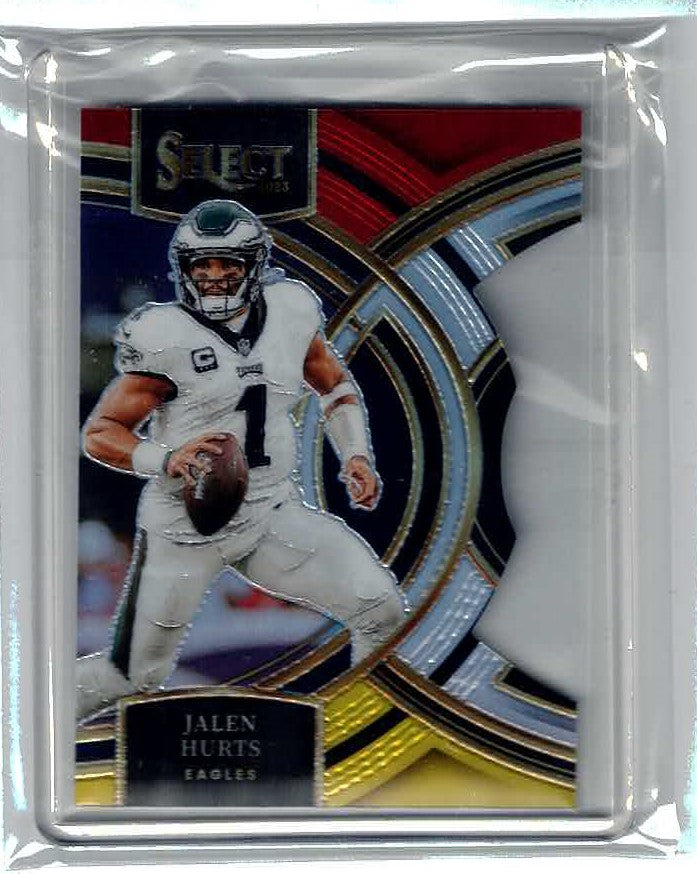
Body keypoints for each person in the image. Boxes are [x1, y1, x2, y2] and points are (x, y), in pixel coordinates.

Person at [76, 199, 407, 721]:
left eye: (226, 263)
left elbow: (335, 386)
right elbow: (100, 433)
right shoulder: (164, 337)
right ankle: (28, 716)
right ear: (183, 270)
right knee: (134, 675)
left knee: (380, 607)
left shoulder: (291, 311)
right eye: (201, 265)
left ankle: (352, 735)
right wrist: (165, 457)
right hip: (186, 523)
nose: (213, 276)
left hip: (269, 513)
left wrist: (356, 454)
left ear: (253, 265)